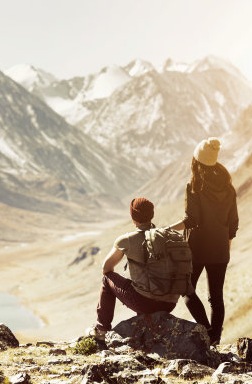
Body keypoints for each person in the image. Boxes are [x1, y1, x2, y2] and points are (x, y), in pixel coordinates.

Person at [168, 137, 238, 345]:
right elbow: (233, 222)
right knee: (216, 297)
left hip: (196, 249)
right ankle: (215, 338)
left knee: (186, 288)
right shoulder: (228, 187)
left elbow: (192, 220)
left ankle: (206, 330)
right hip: (220, 250)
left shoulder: (195, 186)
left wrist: (168, 229)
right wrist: (226, 245)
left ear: (197, 161)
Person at [89, 197, 178, 340]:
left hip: (144, 303)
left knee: (107, 279)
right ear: (152, 214)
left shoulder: (127, 240)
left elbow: (106, 268)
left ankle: (101, 330)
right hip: (169, 303)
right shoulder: (167, 235)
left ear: (133, 217)